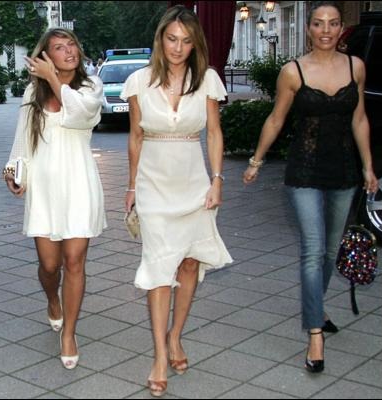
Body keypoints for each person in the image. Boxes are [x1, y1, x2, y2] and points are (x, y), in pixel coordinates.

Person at [243, 1, 377, 374]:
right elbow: (276, 119)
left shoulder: (356, 67)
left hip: (344, 172)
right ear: (309, 28)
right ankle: (315, 332)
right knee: (313, 250)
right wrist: (256, 160)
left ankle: (317, 307)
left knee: (330, 252)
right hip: (304, 171)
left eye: (333, 23)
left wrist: (368, 166)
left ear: (341, 28)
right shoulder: (293, 71)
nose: (326, 30)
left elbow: (360, 118)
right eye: (318, 23)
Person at [121, 5, 232, 396]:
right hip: (153, 184)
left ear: (195, 43)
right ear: (160, 40)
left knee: (188, 263)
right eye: (171, 39)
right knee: (158, 267)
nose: (178, 47)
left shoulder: (208, 80)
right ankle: (158, 355)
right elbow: (135, 137)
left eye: (186, 40)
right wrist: (131, 186)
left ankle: (175, 336)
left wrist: (217, 180)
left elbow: (214, 133)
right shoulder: (138, 81)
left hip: (193, 183)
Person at [3, 27, 106, 370]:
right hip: (45, 187)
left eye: (72, 44)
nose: (69, 51)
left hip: (79, 184)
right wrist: (13, 170)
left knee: (75, 261)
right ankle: (52, 299)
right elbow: (23, 138)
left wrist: (53, 78)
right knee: (50, 266)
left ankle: (69, 334)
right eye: (59, 47)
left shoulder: (91, 86)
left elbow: (80, 115)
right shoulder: (34, 91)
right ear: (46, 56)